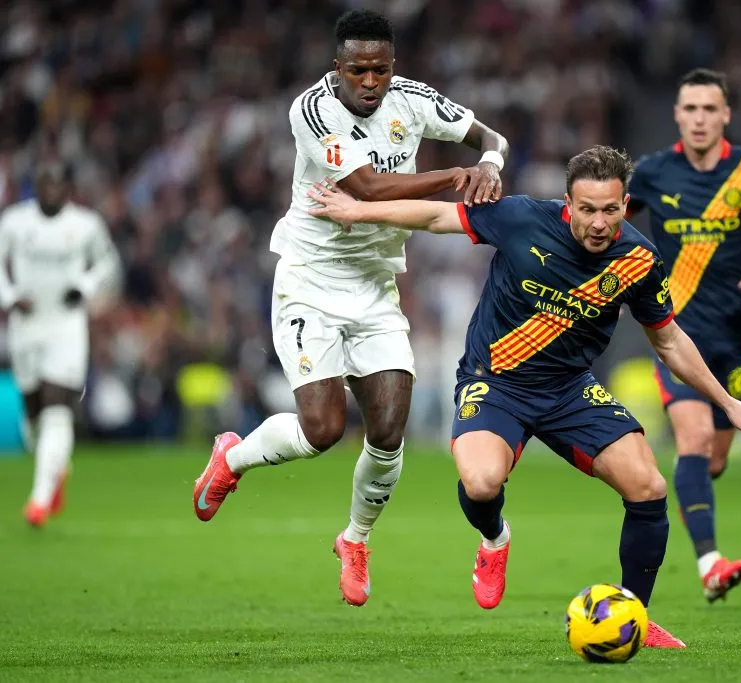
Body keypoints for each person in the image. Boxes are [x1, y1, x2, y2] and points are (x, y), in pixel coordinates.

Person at [306, 145, 741, 648]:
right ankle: (495, 538)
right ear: (568, 203)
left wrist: (729, 403)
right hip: (496, 381)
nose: (598, 223)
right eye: (587, 209)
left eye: (609, 210)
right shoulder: (522, 218)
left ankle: (634, 615)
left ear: (625, 204)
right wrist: (357, 210)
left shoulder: (639, 260)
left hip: (569, 389)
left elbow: (670, 341)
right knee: (481, 483)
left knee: (649, 486)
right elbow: (436, 216)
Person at [191, 9, 509, 607]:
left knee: (388, 430)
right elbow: (367, 190)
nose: (369, 81)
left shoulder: (413, 100)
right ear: (337, 67)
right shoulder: (312, 110)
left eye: (380, 70)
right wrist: (454, 176)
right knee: (323, 430)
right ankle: (233, 456)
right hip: (310, 281)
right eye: (358, 69)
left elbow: (493, 138)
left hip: (375, 286)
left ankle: (355, 540)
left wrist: (489, 163)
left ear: (393, 66)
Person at [627, 68, 741, 602]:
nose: (700, 119)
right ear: (677, 115)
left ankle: (691, 486)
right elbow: (608, 223)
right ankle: (710, 564)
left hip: (733, 335)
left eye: (710, 109)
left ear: (726, 115)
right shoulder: (654, 172)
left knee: (713, 460)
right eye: (690, 109)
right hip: (675, 333)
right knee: (695, 439)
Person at [0, 160, 120, 528]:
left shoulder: (85, 224)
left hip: (66, 326)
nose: (50, 189)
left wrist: (84, 286)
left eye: (56, 183)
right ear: (36, 186)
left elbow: (107, 263)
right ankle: (56, 469)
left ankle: (38, 501)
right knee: (34, 414)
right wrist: (10, 297)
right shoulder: (14, 222)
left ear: (67, 188)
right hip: (26, 325)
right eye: (44, 182)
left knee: (57, 406)